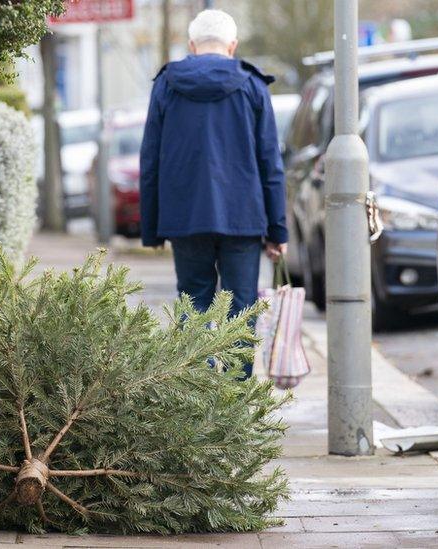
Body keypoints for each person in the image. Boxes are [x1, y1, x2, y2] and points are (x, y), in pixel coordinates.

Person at [139, 9, 288, 378]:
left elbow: (151, 160)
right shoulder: (252, 86)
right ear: (232, 46)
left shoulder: (166, 85)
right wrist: (277, 230)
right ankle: (234, 408)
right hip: (244, 219)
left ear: (192, 46)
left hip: (185, 218)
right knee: (241, 312)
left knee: (193, 307)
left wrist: (152, 229)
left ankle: (197, 402)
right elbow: (270, 162)